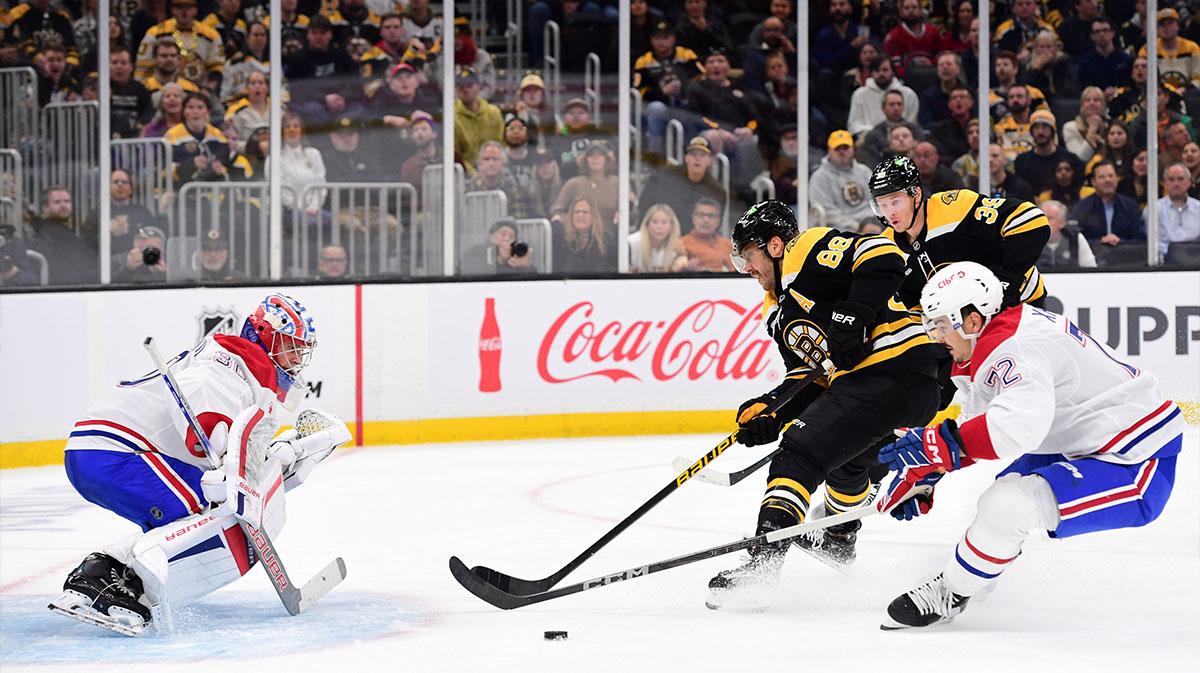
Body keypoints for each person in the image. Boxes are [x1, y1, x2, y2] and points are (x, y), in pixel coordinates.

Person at [875, 262, 1184, 629]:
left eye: (941, 325)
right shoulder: (992, 342)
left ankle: (953, 592)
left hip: (1133, 457)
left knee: (1007, 506)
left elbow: (1015, 428)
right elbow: (984, 427)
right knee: (1001, 495)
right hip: (1080, 436)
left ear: (971, 321)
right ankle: (974, 578)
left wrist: (936, 446)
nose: (936, 336)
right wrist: (930, 471)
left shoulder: (1014, 348)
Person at [48, 294, 350, 635]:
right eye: (291, 346)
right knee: (207, 508)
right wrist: (216, 436)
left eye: (301, 349)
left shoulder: (249, 372)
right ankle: (100, 577)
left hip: (109, 452)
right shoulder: (232, 360)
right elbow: (205, 398)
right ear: (265, 335)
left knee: (203, 509)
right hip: (115, 452)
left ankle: (121, 580)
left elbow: (237, 452)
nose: (296, 358)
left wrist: (283, 457)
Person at [705, 200, 943, 609]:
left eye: (749, 255)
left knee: (798, 455)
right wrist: (772, 409)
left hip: (892, 368)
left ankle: (762, 569)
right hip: (901, 390)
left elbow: (884, 256)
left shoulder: (806, 250)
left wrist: (855, 314)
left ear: (775, 244)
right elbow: (810, 375)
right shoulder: (775, 310)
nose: (747, 268)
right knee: (847, 466)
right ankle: (838, 538)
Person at [869, 155, 1050, 311]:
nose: (889, 212)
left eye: (895, 202)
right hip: (962, 329)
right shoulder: (886, 248)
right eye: (882, 205)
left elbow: (1030, 219)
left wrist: (1006, 281)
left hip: (1021, 304)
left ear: (916, 195)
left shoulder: (955, 208)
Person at [637, 136, 725, 236]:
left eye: (702, 155)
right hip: (659, 236)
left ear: (709, 160)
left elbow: (715, 224)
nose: (697, 158)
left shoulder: (717, 191)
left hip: (693, 243)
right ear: (686, 158)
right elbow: (645, 204)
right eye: (693, 154)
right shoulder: (665, 176)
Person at [135, 0, 225, 91]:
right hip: (162, 90)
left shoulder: (210, 35)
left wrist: (208, 90)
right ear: (172, 9)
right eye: (179, 7)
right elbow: (142, 69)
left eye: (188, 7)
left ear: (195, 10)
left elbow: (217, 68)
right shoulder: (156, 32)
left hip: (201, 92)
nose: (184, 12)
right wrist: (142, 92)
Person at [28, 185, 98, 286]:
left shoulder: (63, 230)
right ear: (45, 208)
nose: (63, 205)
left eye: (67, 201)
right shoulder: (53, 233)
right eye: (57, 202)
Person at [1070, 160, 1146, 248]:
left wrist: (1121, 242)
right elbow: (1073, 237)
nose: (1108, 180)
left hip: (1125, 257)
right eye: (1102, 177)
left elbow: (1141, 238)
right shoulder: (1082, 207)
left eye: (1111, 176)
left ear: (1117, 179)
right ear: (1093, 182)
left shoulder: (1130, 205)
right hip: (1093, 257)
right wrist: (1100, 242)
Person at [810, 130, 874, 230]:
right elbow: (827, 212)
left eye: (845, 148)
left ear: (853, 149)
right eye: (837, 148)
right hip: (839, 228)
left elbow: (876, 198)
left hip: (871, 221)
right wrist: (858, 227)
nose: (841, 151)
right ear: (828, 150)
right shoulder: (819, 176)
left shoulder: (864, 171)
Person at [1012, 110, 1085, 197]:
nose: (1040, 132)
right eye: (1036, 127)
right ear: (1031, 132)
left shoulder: (1070, 159)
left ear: (1052, 130)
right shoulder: (1022, 161)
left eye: (1045, 127)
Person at [550, 140, 620, 229]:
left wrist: (628, 209)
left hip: (613, 239)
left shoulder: (619, 184)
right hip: (580, 239)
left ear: (607, 158)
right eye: (592, 155)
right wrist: (575, 219)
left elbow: (633, 216)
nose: (596, 158)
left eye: (600, 154)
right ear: (585, 159)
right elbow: (557, 212)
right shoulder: (573, 183)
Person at [166, 92, 231, 184]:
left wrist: (217, 168)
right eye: (190, 107)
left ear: (207, 111)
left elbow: (224, 160)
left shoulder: (217, 135)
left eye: (200, 107)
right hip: (181, 188)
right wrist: (190, 165)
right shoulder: (172, 135)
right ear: (184, 111)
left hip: (212, 188)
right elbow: (166, 168)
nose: (195, 112)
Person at [847, 56, 919, 138]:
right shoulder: (859, 94)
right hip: (869, 140)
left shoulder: (908, 94)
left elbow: (912, 124)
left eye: (885, 70)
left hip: (901, 139)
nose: (881, 74)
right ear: (871, 73)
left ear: (893, 72)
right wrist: (877, 134)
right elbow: (854, 125)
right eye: (877, 70)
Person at [452, 67, 504, 175]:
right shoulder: (451, 117)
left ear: (478, 87)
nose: (465, 90)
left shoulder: (494, 113)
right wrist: (474, 175)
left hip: (495, 171)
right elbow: (456, 154)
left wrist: (494, 169)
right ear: (456, 89)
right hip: (465, 176)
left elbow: (501, 144)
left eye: (469, 86)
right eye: (461, 87)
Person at [278, 111, 328, 221]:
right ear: (282, 132)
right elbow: (282, 193)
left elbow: (321, 185)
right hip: (287, 211)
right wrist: (302, 209)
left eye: (296, 126)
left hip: (312, 210)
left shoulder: (313, 154)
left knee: (337, 223)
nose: (292, 130)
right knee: (309, 223)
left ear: (301, 130)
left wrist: (313, 207)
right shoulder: (276, 158)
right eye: (287, 127)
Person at [1137, 9, 1200, 92]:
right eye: (1162, 24)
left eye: (1170, 23)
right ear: (1157, 28)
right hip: (1157, 93)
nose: (1166, 28)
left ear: (1178, 26)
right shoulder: (1148, 50)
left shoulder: (1192, 47)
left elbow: (1198, 77)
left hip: (1187, 92)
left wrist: (1186, 89)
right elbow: (1142, 77)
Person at [466, 141, 533, 219]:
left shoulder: (512, 187)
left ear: (504, 163)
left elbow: (518, 218)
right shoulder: (468, 187)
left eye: (495, 159)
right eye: (486, 159)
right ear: (480, 163)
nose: (491, 163)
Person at [856, 91, 923, 167]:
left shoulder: (915, 129)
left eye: (899, 104)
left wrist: (885, 152)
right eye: (892, 104)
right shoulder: (873, 135)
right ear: (883, 108)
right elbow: (872, 164)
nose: (896, 108)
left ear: (904, 107)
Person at [551, 196, 616, 274]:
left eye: (585, 212)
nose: (580, 215)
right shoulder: (564, 240)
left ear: (593, 216)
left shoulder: (606, 240)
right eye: (577, 212)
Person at [1153, 162, 1200, 262]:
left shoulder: (1198, 208)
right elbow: (1153, 243)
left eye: (1180, 179)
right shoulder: (1154, 209)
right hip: (1163, 264)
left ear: (1189, 182)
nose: (1176, 184)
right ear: (1165, 184)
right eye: (1171, 179)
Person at [883, 0, 943, 77]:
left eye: (914, 7)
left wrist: (931, 65)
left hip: (933, 78)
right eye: (907, 8)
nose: (911, 11)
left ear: (921, 10)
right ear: (901, 12)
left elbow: (942, 58)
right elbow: (895, 68)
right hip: (905, 82)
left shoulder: (934, 32)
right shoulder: (893, 36)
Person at [461, 219, 538, 275]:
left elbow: (532, 282)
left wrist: (525, 266)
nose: (506, 239)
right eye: (503, 234)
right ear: (491, 236)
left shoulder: (515, 255)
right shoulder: (475, 251)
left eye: (511, 236)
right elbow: (475, 274)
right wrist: (500, 260)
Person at [1076, 16, 1133, 92]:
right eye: (1097, 31)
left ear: (1113, 33)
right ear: (1092, 36)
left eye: (1105, 30)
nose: (1102, 34)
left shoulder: (1126, 60)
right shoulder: (1085, 63)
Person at [110, 45, 154, 139]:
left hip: (132, 140)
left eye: (123, 63)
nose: (118, 66)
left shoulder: (140, 89)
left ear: (131, 67)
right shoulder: (99, 87)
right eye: (114, 62)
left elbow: (148, 115)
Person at [1037, 198, 1096, 267]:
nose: (1044, 222)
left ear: (1062, 222)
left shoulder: (1075, 238)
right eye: (1041, 217)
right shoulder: (1029, 240)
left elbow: (1091, 268)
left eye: (1050, 218)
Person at [629, 204, 688, 273]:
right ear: (647, 225)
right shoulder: (631, 243)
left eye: (664, 222)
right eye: (655, 222)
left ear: (672, 226)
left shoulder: (676, 246)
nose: (659, 227)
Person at [679, 198, 733, 272]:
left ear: (718, 220)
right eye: (701, 215)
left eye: (711, 216)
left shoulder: (730, 245)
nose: (706, 220)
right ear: (693, 218)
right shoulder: (681, 244)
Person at [1061, 87, 1108, 165]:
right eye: (1087, 100)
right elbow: (1079, 159)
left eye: (1096, 100)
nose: (1091, 103)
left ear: (1103, 105)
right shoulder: (1070, 128)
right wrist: (1092, 129)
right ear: (1082, 105)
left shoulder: (1110, 127)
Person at [918, 52, 964, 127]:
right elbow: (925, 123)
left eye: (949, 64)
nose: (945, 67)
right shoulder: (928, 96)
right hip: (938, 136)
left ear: (958, 69)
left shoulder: (968, 93)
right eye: (941, 65)